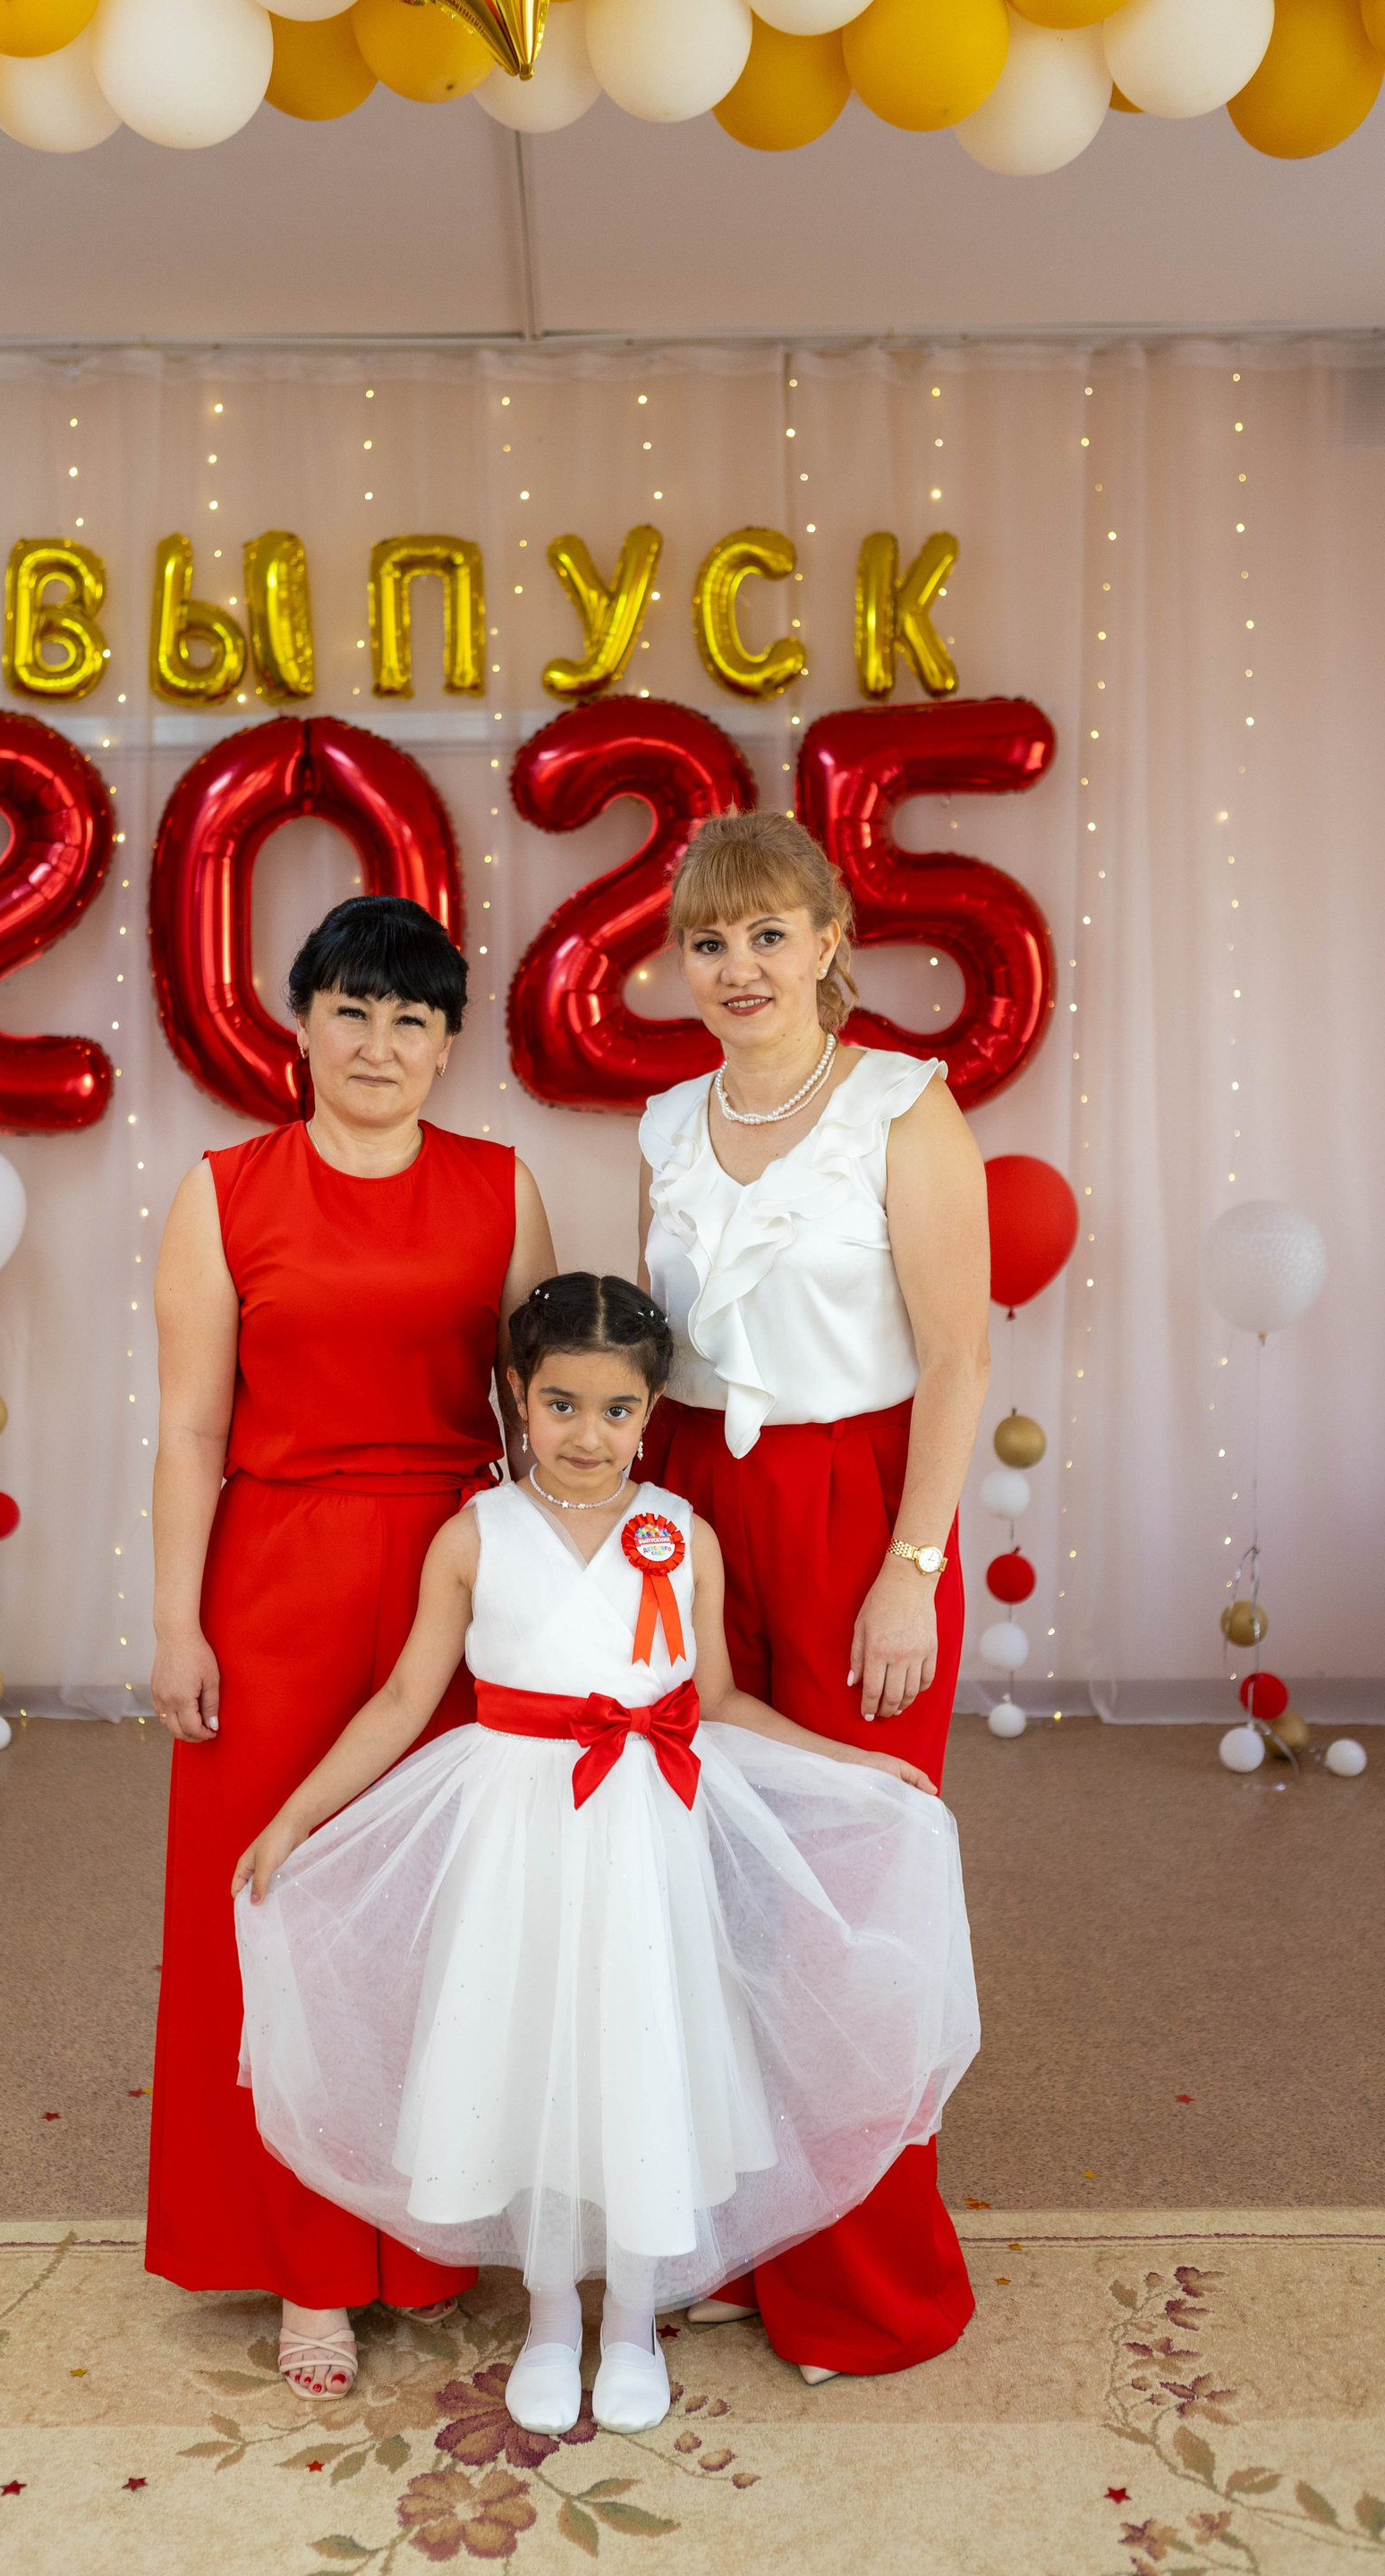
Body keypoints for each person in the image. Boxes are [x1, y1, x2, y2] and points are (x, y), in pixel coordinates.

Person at [233, 1273, 978, 2436]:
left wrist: (857, 1764)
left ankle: (629, 2321)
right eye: (562, 1405)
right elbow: (402, 1699)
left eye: (618, 1409)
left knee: (639, 2056)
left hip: (643, 1838)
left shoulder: (681, 1535)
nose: (589, 1435)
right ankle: (549, 2319)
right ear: (517, 1396)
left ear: (652, 1410)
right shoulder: (474, 1537)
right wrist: (297, 1815)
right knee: (528, 2055)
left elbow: (718, 1700)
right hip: (516, 1839)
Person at [147, 894, 557, 2402]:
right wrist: (175, 1620)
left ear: (447, 1046)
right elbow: (193, 1428)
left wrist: (564, 1601)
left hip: (460, 1576)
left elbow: (541, 1419)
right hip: (277, 1581)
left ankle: (432, 2233)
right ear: (304, 1025)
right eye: (353, 1012)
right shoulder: (221, 1192)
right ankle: (306, 2261)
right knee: (278, 1912)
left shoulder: (504, 1189)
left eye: (413, 1019)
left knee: (449, 1915)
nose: (379, 1044)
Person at [637, 808, 991, 2388]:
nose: (740, 967)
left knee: (849, 1893)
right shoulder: (663, 1125)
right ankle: (747, 2244)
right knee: (715, 1888)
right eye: (710, 941)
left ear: (830, 942)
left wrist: (911, 1570)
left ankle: (869, 2286)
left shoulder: (906, 1110)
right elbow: (655, 1362)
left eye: (769, 934)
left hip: (857, 1515)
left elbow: (959, 1357)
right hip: (698, 1513)